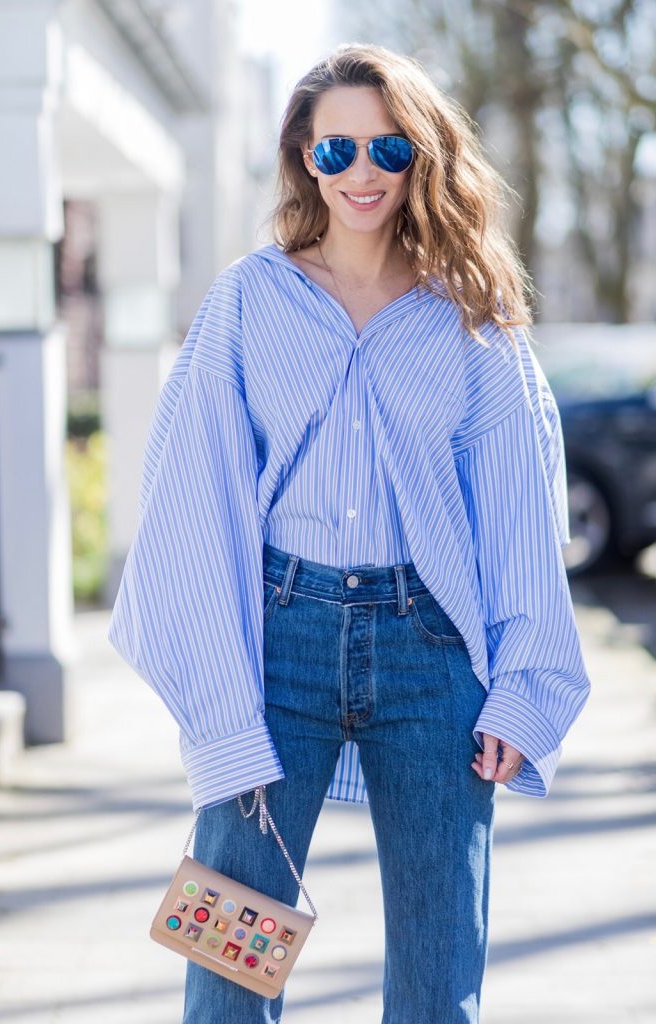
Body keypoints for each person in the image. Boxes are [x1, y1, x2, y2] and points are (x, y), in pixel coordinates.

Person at [107, 42, 591, 1024]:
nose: (360, 173)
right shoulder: (247, 301)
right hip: (275, 644)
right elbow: (190, 498)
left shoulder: (473, 318)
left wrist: (520, 687)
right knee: (226, 972)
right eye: (335, 153)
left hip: (429, 651)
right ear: (301, 158)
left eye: (386, 149)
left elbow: (518, 512)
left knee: (437, 976)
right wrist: (218, 698)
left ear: (421, 157)